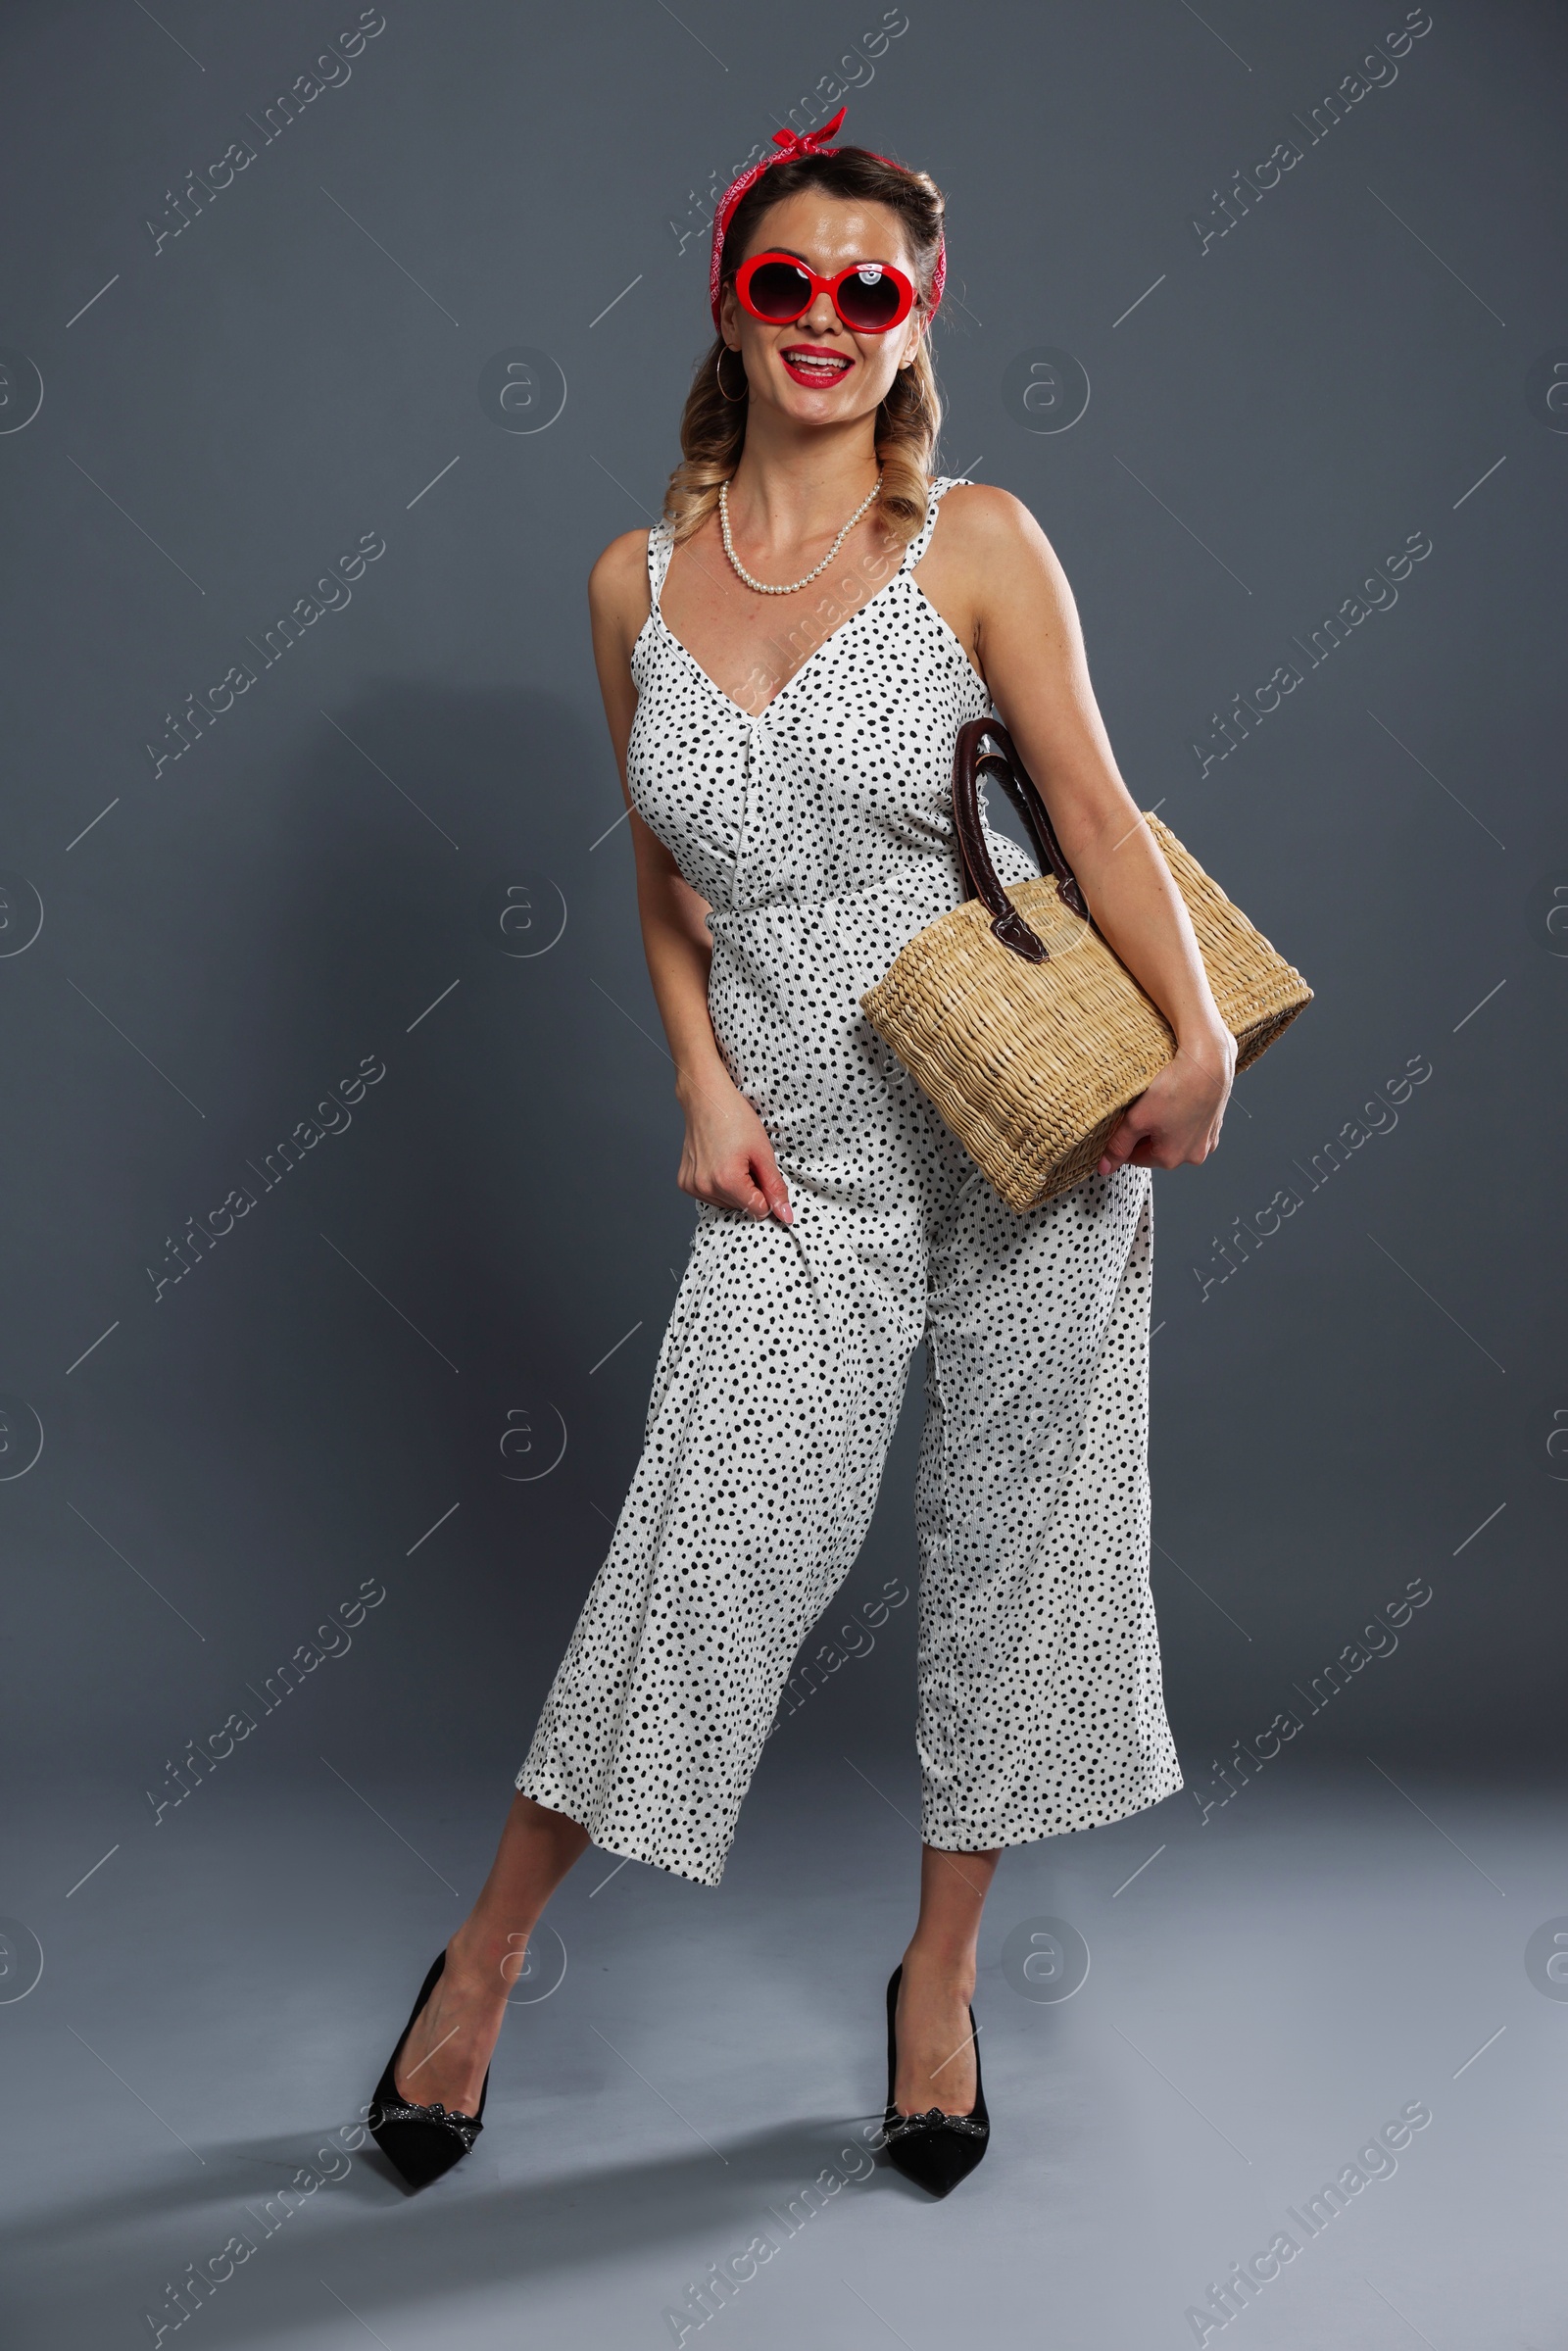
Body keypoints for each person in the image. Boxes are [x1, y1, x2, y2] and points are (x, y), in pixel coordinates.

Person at [368, 107, 1234, 2200]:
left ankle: (934, 1980)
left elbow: (1096, 825)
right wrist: (698, 1085)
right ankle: (480, 1966)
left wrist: (1200, 1038)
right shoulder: (632, 581)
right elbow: (661, 877)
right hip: (804, 1154)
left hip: (1031, 1107)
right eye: (789, 282)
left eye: (871, 287)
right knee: (705, 1535)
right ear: (729, 307)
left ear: (914, 317)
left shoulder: (976, 543)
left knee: (1024, 1539)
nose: (827, 318)